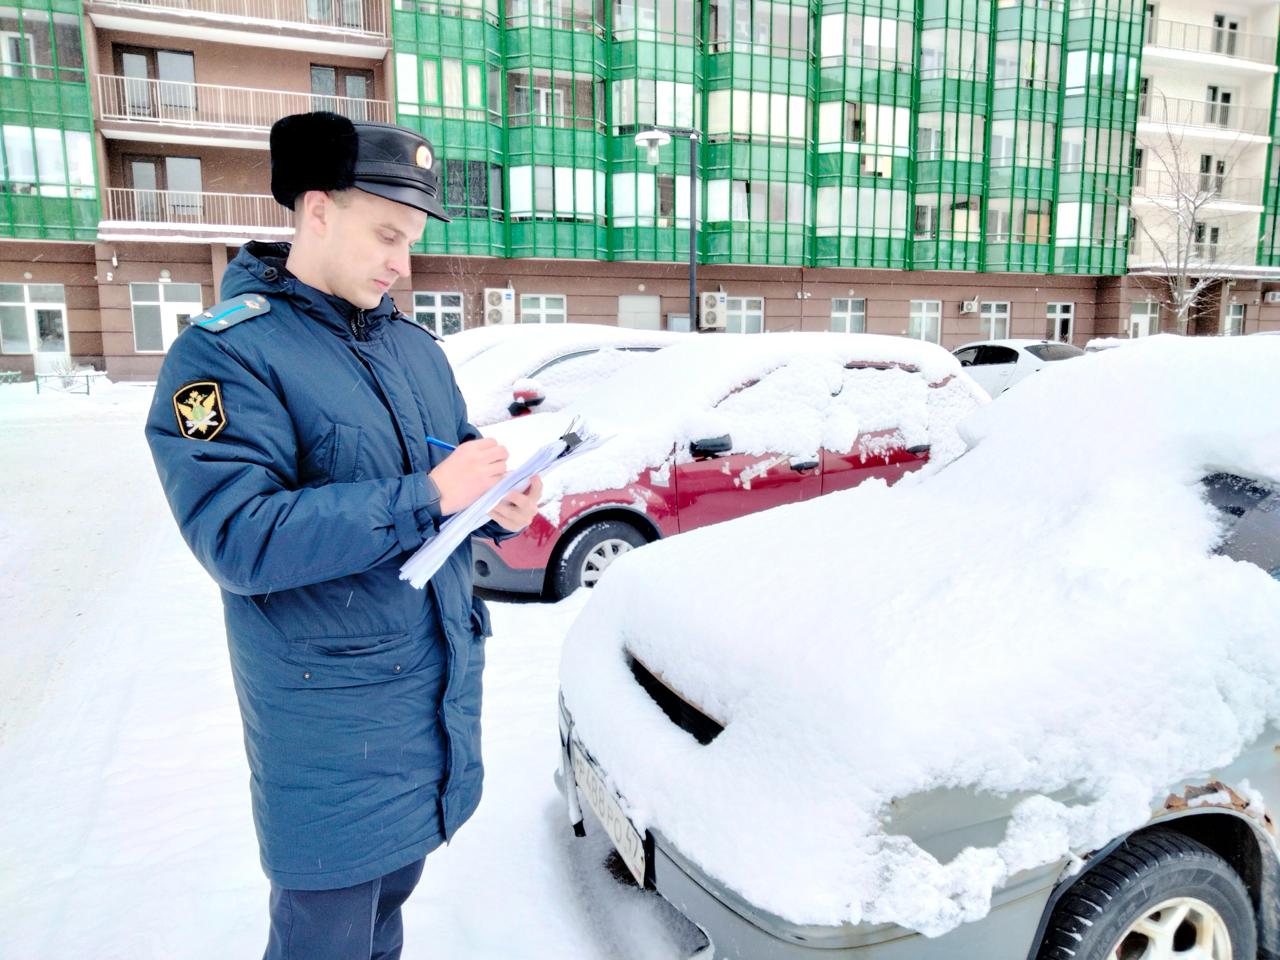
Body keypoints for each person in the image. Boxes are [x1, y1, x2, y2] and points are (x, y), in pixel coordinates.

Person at [144, 111, 541, 960]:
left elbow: (444, 465)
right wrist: (428, 495)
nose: (404, 264)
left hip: (424, 710)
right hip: (329, 733)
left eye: (412, 241)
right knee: (325, 938)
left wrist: (493, 493)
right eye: (387, 235)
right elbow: (238, 537)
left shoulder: (413, 349)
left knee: (384, 922)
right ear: (316, 211)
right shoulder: (227, 357)